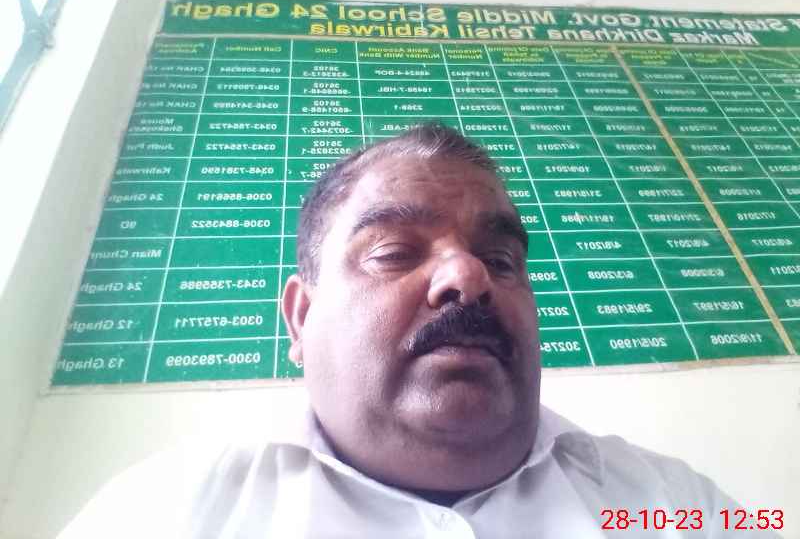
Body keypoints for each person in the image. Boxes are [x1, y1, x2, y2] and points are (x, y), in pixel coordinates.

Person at [58, 122, 781, 538]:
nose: (469, 276)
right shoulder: (161, 512)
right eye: (394, 253)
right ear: (301, 317)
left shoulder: (672, 505)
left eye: (502, 259)